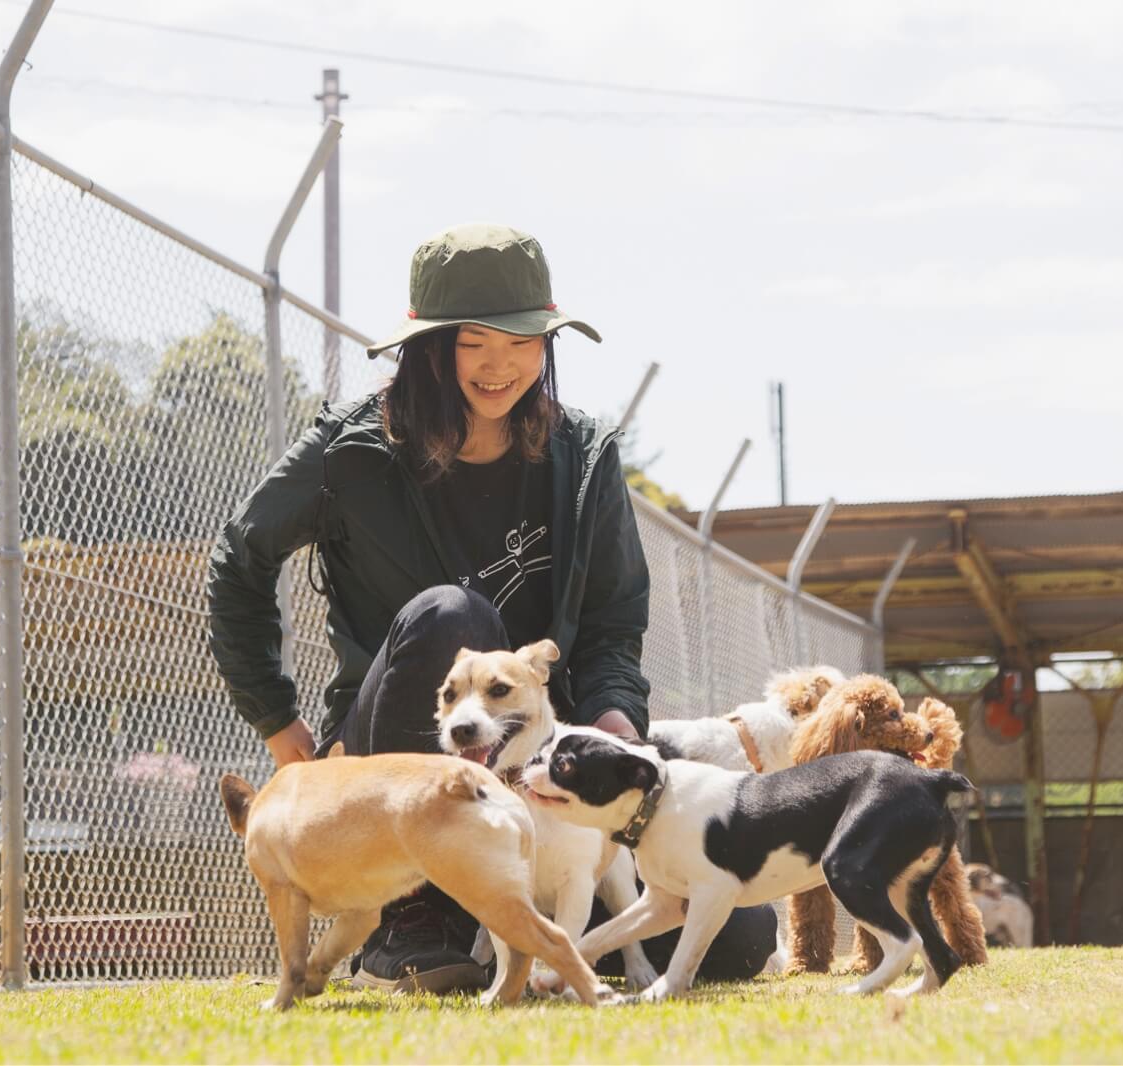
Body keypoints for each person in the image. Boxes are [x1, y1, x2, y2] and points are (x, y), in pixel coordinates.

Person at [208, 223, 776, 994]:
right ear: (427, 349)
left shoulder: (582, 454)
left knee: (739, 934)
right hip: (396, 766)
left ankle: (549, 933)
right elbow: (238, 561)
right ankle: (413, 920)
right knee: (453, 617)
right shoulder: (350, 451)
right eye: (473, 343)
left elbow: (613, 622)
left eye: (524, 340)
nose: (499, 365)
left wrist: (612, 719)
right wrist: (281, 724)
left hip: (543, 750)